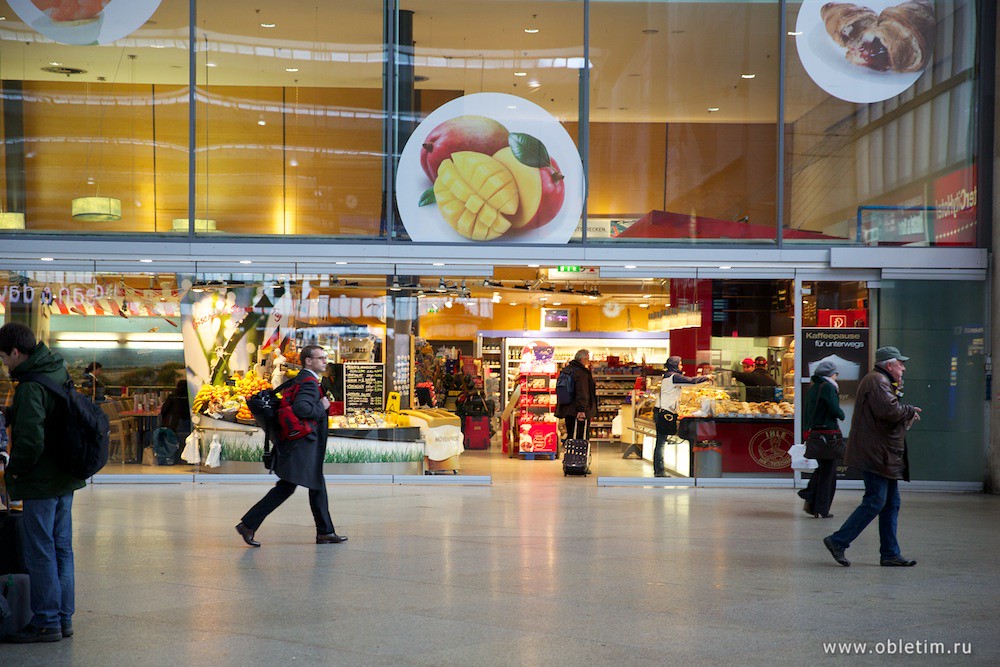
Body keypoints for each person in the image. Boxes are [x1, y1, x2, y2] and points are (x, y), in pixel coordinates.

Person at [0, 322, 85, 643]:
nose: (4, 363)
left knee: (40, 550)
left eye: (4, 357)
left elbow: (32, 440)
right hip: (66, 476)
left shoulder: (31, 386)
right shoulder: (56, 371)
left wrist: (15, 471)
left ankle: (46, 621)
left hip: (42, 481)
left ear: (16, 352)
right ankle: (63, 619)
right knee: (62, 547)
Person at [235, 345, 346, 547]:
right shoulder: (309, 382)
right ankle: (248, 524)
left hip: (300, 444)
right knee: (287, 487)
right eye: (320, 358)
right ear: (308, 361)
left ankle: (325, 532)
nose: (324, 361)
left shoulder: (303, 379)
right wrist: (322, 408)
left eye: (325, 357)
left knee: (315, 485)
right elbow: (302, 408)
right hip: (302, 446)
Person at [823, 346, 921, 568]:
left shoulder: (881, 380)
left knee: (890, 503)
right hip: (876, 454)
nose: (903, 368)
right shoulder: (877, 380)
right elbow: (889, 411)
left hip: (883, 454)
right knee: (876, 501)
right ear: (889, 365)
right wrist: (908, 410)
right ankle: (838, 540)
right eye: (900, 363)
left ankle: (890, 553)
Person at [797, 360, 844, 518]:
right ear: (831, 374)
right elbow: (833, 408)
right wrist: (841, 414)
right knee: (828, 472)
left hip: (816, 434)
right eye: (836, 374)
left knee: (823, 469)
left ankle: (811, 501)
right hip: (828, 435)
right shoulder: (829, 387)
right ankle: (820, 506)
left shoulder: (814, 387)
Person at [654, 356, 712, 477]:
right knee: (661, 442)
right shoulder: (673, 376)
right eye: (680, 364)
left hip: (662, 411)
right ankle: (659, 471)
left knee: (661, 441)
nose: (681, 366)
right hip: (665, 412)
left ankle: (659, 470)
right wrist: (707, 377)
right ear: (674, 365)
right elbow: (691, 381)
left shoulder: (668, 375)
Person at [555, 349, 598, 441]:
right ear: (582, 359)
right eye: (588, 359)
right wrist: (581, 410)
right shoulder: (581, 372)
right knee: (580, 437)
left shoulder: (567, 370)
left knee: (571, 434)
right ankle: (579, 454)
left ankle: (570, 453)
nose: (588, 362)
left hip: (567, 409)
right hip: (578, 411)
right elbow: (582, 392)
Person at [159, 380, 192, 464]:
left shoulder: (172, 397)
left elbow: (164, 411)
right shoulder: (190, 398)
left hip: (173, 426)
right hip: (188, 426)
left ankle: (170, 457)